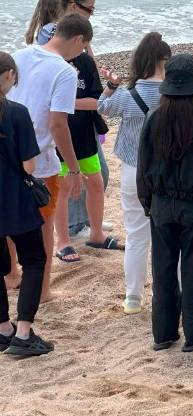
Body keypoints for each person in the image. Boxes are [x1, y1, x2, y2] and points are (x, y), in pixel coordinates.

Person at [137, 54, 193, 352]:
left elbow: (143, 165)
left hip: (162, 205)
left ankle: (163, 334)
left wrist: (147, 201)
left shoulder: (153, 118)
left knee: (163, 269)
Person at [8, 14, 93, 303]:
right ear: (78, 39)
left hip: (7, 151)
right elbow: (58, 124)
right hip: (40, 159)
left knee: (6, 219)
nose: (80, 54)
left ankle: (11, 276)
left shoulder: (20, 54)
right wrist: (73, 167)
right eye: (83, 48)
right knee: (43, 226)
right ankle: (42, 291)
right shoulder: (65, 72)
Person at [98, 32, 170, 314]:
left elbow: (103, 107)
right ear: (165, 61)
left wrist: (110, 86)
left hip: (133, 170)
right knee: (168, 234)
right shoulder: (173, 94)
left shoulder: (129, 96)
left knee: (137, 235)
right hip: (166, 171)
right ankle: (171, 292)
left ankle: (133, 298)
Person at [52, 0, 122, 263]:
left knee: (96, 181)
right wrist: (66, 105)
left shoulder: (85, 64)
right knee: (62, 186)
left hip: (83, 135)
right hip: (58, 136)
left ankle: (96, 234)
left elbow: (96, 102)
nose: (85, 50)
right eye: (83, 44)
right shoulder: (51, 63)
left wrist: (111, 87)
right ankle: (63, 242)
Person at [33, 0, 109, 240]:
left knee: (98, 175)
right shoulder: (52, 42)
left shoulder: (79, 49)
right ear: (73, 6)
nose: (92, 13)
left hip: (83, 126)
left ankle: (87, 222)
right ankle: (74, 227)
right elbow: (54, 116)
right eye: (90, 9)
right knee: (67, 180)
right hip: (63, 129)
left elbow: (94, 93)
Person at [0, 52, 54, 356]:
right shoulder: (16, 112)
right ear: (8, 75)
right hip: (15, 199)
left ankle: (3, 329)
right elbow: (29, 166)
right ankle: (23, 332)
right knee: (33, 260)